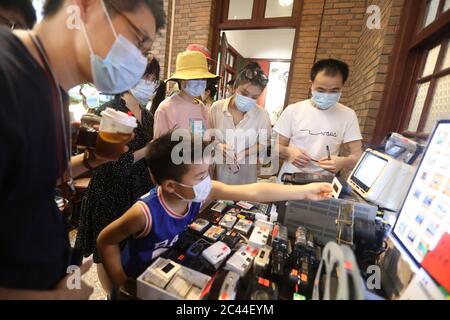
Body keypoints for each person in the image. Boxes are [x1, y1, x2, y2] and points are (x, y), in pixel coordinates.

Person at [0, 0, 165, 299]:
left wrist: (92, 160)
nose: (138, 62)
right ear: (86, 6)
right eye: (138, 42)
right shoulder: (7, 72)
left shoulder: (53, 90)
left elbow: (29, 178)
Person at [97, 132, 332, 287]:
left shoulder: (197, 192)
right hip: (138, 277)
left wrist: (303, 192)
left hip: (166, 271)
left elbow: (253, 192)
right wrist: (121, 285)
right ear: (170, 185)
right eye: (201, 176)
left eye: (207, 173)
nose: (207, 181)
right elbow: (105, 241)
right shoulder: (144, 213)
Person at [75, 58, 160, 295]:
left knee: (129, 246)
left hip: (138, 189)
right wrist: (147, 150)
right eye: (145, 77)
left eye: (154, 79)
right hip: (110, 190)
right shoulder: (112, 111)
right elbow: (112, 161)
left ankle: (121, 291)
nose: (150, 84)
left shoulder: (147, 114)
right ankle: (110, 294)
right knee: (106, 249)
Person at [274, 59, 363, 181]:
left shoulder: (348, 115)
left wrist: (344, 162)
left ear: (342, 87)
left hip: (322, 185)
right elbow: (270, 146)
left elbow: (358, 156)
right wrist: (288, 152)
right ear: (311, 85)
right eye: (321, 90)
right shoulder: (293, 110)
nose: (326, 95)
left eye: (334, 91)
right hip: (290, 180)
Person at [209, 62, 272, 185]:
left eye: (254, 97)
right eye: (244, 93)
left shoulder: (262, 115)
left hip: (246, 178)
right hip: (218, 175)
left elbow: (265, 143)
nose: (248, 99)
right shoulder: (217, 108)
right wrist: (218, 146)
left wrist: (245, 153)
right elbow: (208, 137)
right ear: (234, 87)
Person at [153, 50, 219, 139]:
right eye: (195, 78)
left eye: (203, 79)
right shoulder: (167, 108)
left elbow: (206, 138)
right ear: (181, 80)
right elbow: (159, 147)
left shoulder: (201, 107)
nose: (200, 83)